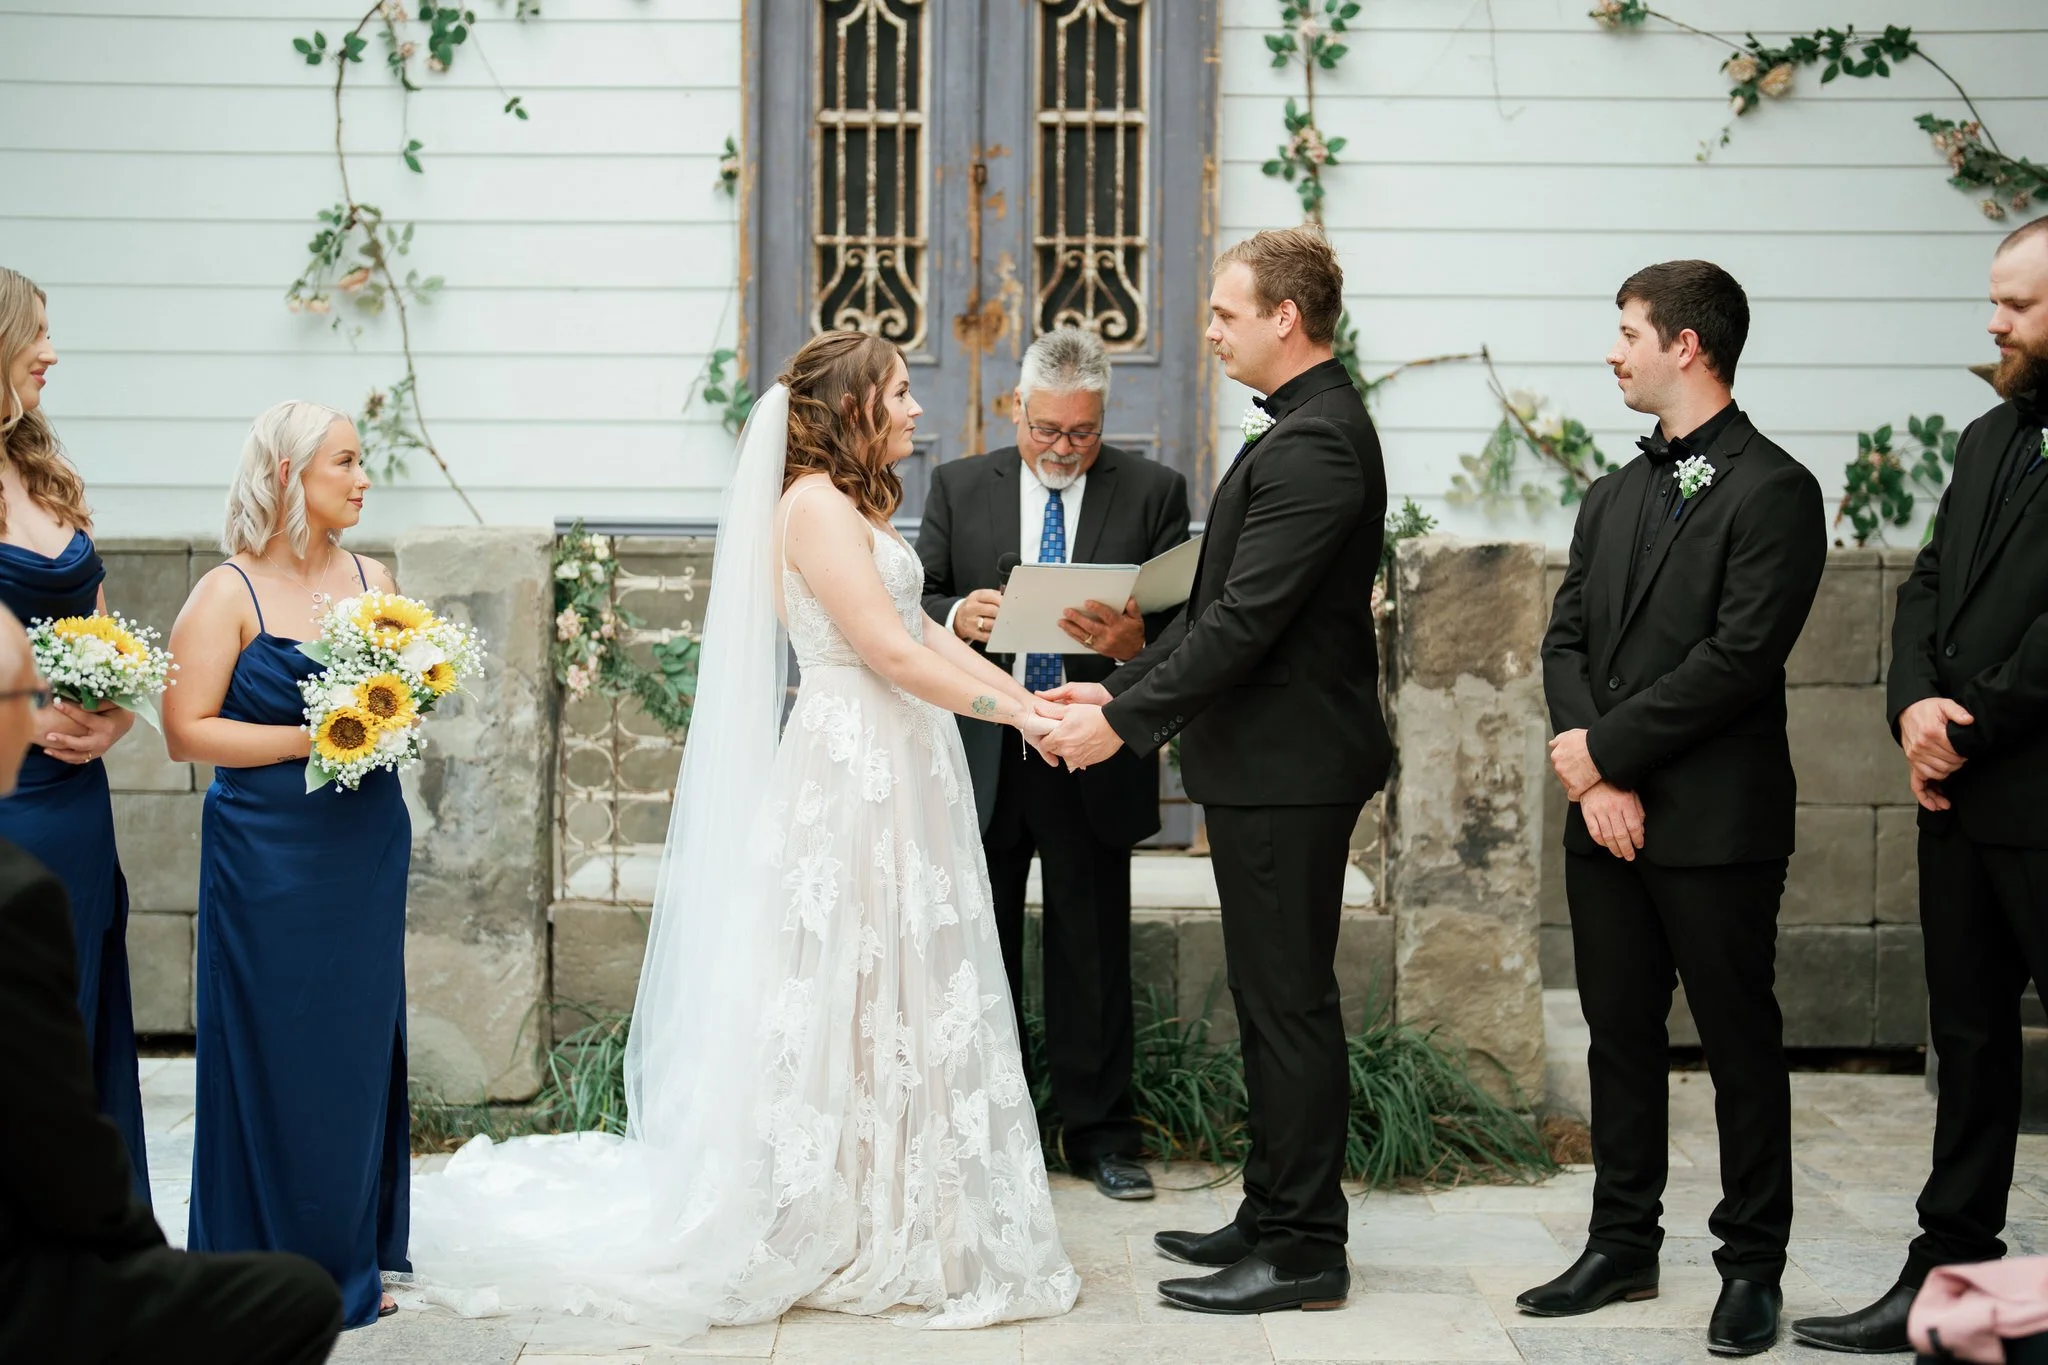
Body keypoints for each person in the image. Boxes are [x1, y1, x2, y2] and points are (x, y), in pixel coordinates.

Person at [402, 331, 1079, 1338]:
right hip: (854, 764)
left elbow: (930, 634)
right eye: (897, 394)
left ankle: (900, 1204)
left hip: (903, 759)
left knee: (894, 982)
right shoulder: (807, 508)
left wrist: (1025, 697)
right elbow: (885, 651)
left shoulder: (856, 507)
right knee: (842, 984)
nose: (913, 411)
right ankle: (824, 1212)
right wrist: (1014, 719)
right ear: (852, 407)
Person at [1040, 225, 1391, 1315]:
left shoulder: (1319, 442)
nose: (1208, 331)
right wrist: (1124, 675)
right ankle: (1271, 1208)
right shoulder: (1302, 431)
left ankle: (1301, 1249)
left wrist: (1124, 721)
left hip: (1289, 766)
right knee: (1266, 998)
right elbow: (1222, 608)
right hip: (1261, 760)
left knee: (1287, 1006)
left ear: (1285, 318)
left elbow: (1246, 623)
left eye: (1225, 313)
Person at [1526, 260, 1825, 1357]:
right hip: (1602, 818)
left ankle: (1749, 1266)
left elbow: (1738, 659)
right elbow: (1564, 639)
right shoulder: (1610, 493)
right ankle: (1620, 1244)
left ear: (1684, 346)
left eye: (1626, 332)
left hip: (1713, 825)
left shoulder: (1775, 490)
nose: (1612, 350)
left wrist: (1606, 752)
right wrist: (1593, 782)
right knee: (1616, 1038)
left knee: (1739, 1044)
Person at [1793, 217, 2048, 1356]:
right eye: (1994, 300)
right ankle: (1946, 1277)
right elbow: (1928, 583)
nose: (1991, 322)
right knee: (1969, 1047)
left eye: (2017, 305)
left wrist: (1972, 718)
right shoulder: (1988, 437)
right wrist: (1909, 704)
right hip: (1956, 802)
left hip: (2035, 789)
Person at [0, 600, 345, 1365]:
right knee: (298, 1299)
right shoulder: (14, 896)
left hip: (69, 803)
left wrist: (112, 714)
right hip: (25, 1294)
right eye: (19, 698)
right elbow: (58, 1131)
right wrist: (136, 1257)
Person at [915, 326, 1191, 1202]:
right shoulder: (961, 485)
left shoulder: (1154, 491)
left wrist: (1132, 638)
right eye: (1048, 431)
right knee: (978, 946)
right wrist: (960, 615)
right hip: (988, 750)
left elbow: (1189, 628)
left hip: (1091, 749)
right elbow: (911, 595)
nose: (1064, 449)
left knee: (1093, 951)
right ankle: (985, 1134)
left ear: (1102, 418)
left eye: (1082, 432)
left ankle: (1102, 1134)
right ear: (1019, 410)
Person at [161, 401, 410, 1330]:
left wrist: (395, 716)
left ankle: (348, 1248)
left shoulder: (372, 576)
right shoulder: (227, 593)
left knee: (350, 1042)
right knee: (273, 1039)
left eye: (361, 460)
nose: (361, 477)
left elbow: (401, 697)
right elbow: (187, 733)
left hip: (365, 847)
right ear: (287, 476)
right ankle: (258, 1257)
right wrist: (316, 736)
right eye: (344, 461)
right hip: (265, 854)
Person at [0, 266, 149, 1202]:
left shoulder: (41, 469)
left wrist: (117, 714)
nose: (53, 352)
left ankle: (87, 1264)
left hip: (76, 806)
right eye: (36, 333)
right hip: (9, 804)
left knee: (81, 1015)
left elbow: (103, 628)